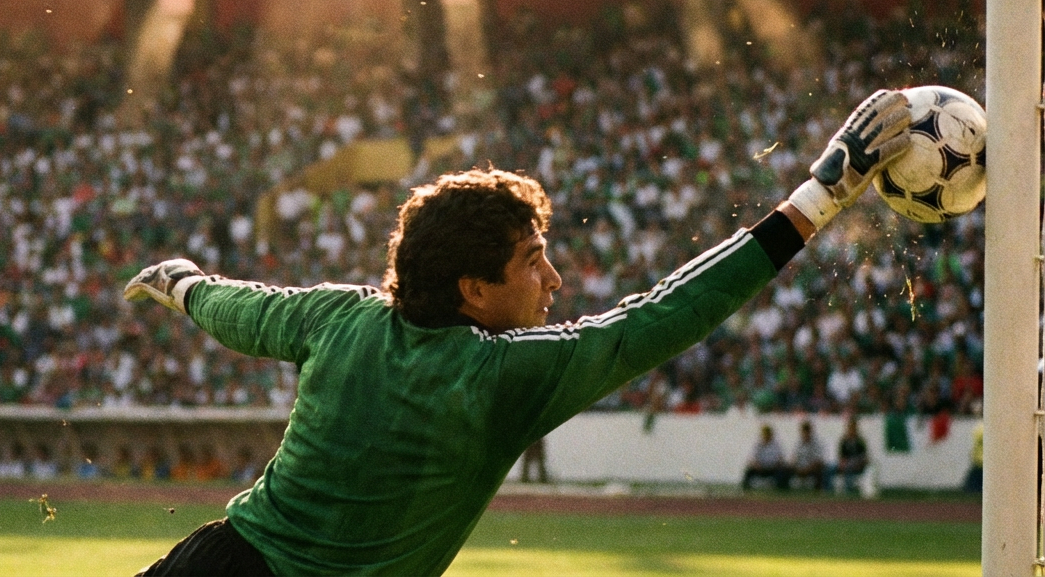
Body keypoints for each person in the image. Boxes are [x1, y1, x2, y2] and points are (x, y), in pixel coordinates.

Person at [125, 91, 912, 575]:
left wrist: (180, 283)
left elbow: (240, 309)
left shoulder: (337, 316)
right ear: (474, 289)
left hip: (215, 562)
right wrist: (820, 197)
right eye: (534, 261)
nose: (555, 281)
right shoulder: (499, 377)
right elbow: (664, 314)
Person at [742, 424, 789, 491]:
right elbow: (752, 458)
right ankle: (746, 489)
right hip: (760, 468)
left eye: (768, 434)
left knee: (783, 471)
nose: (766, 436)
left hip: (773, 469)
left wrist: (777, 464)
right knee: (748, 471)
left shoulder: (776, 445)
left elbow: (781, 458)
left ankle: (781, 489)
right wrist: (756, 465)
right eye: (765, 434)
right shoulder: (757, 445)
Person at [832, 414, 870, 494]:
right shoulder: (844, 441)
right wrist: (842, 463)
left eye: (853, 428)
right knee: (829, 468)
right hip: (846, 463)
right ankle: (827, 489)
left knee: (849, 468)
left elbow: (864, 457)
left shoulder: (860, 441)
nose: (851, 430)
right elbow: (841, 455)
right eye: (850, 428)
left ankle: (848, 489)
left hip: (857, 463)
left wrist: (858, 463)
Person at [790, 420, 827, 491]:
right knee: (785, 469)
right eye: (804, 432)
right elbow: (794, 457)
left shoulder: (817, 443)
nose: (805, 434)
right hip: (799, 467)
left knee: (819, 470)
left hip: (811, 468)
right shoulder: (798, 443)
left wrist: (808, 469)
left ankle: (817, 491)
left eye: (807, 432)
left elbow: (819, 460)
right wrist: (796, 466)